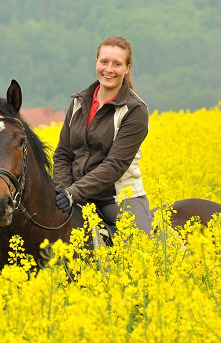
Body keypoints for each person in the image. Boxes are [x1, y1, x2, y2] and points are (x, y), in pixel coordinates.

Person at [52, 35, 152, 234]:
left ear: (127, 68)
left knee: (142, 243)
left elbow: (114, 166)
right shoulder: (79, 102)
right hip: (75, 194)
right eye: (104, 62)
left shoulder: (135, 110)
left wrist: (72, 194)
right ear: (96, 62)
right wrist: (62, 191)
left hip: (116, 198)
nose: (109, 69)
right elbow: (63, 154)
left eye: (117, 64)